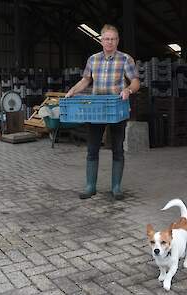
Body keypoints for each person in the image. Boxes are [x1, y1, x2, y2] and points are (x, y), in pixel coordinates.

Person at [65, 24, 140, 200]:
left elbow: (136, 81)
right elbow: (85, 80)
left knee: (118, 149)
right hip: (97, 108)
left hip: (116, 108)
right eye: (106, 39)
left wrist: (128, 90)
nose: (110, 42)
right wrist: (72, 91)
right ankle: (90, 186)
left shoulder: (125, 59)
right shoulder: (93, 59)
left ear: (118, 41)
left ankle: (116, 187)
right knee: (92, 149)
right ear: (101, 40)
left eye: (113, 39)